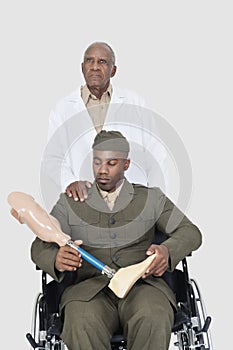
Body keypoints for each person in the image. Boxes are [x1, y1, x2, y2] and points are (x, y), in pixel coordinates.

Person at [32, 130, 202, 350]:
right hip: (89, 291)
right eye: (97, 162)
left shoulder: (150, 198)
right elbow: (39, 246)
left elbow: (191, 232)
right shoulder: (72, 202)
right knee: (81, 322)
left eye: (111, 163)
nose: (102, 170)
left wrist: (167, 251)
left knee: (152, 315)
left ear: (126, 164)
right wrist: (56, 258)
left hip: (143, 286)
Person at [42, 41, 168, 203]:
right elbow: (52, 157)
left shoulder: (135, 103)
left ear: (113, 70)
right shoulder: (63, 109)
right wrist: (70, 182)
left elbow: (156, 152)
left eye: (102, 62)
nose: (94, 67)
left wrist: (156, 198)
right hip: (85, 202)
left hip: (132, 200)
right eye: (89, 61)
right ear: (82, 68)